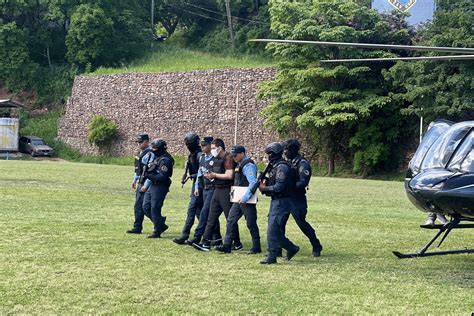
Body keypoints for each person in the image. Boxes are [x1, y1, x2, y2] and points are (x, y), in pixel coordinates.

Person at [192, 138, 241, 251]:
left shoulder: (228, 158)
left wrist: (214, 175)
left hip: (226, 190)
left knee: (230, 218)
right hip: (217, 189)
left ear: (220, 148)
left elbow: (229, 175)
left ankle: (237, 242)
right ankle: (205, 242)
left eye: (214, 148)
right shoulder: (216, 158)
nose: (212, 150)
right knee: (211, 217)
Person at [216, 145, 261, 254]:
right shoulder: (239, 164)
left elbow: (253, 183)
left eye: (236, 155)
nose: (234, 158)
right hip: (238, 198)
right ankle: (227, 245)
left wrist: (245, 197)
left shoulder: (248, 166)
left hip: (246, 200)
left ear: (242, 154)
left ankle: (256, 247)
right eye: (233, 156)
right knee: (231, 220)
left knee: (251, 223)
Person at [259, 142, 299, 264]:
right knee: (275, 230)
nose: (268, 156)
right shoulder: (275, 166)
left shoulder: (281, 167)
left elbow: (279, 187)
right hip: (277, 200)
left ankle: (272, 255)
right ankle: (291, 248)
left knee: (272, 229)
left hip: (283, 201)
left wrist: (264, 188)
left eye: (270, 153)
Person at [282, 139, 323, 257]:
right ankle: (279, 248)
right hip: (285, 198)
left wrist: (290, 187)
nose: (285, 152)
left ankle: (316, 245)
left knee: (301, 223)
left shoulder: (302, 163)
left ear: (293, 150)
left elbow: (303, 182)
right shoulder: (287, 163)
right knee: (280, 223)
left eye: (287, 150)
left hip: (297, 198)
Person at [185, 136, 222, 245]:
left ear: (211, 146)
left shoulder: (215, 159)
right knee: (210, 214)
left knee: (205, 213)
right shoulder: (202, 157)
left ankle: (197, 237)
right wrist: (196, 187)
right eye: (201, 145)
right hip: (204, 188)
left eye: (204, 145)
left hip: (212, 188)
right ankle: (217, 239)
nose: (202, 147)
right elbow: (200, 173)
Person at [173, 133, 204, 244]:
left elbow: (203, 170)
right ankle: (210, 233)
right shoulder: (193, 154)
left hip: (200, 184)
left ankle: (185, 234)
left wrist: (193, 176)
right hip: (196, 183)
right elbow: (189, 167)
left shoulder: (199, 154)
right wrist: (186, 175)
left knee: (192, 209)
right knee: (198, 211)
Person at [142, 139, 174, 238]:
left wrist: (149, 176)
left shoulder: (165, 160)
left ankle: (157, 231)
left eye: (155, 148)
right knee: (146, 206)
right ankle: (161, 224)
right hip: (153, 184)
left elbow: (163, 176)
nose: (153, 150)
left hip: (160, 186)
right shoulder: (156, 157)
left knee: (155, 207)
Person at [127, 133, 154, 234]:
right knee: (138, 206)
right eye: (138, 142)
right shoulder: (138, 154)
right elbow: (137, 169)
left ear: (146, 142)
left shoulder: (150, 154)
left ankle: (159, 223)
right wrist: (134, 180)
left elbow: (151, 170)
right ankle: (137, 227)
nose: (138, 144)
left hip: (148, 183)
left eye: (140, 142)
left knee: (145, 207)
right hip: (140, 182)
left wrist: (146, 184)